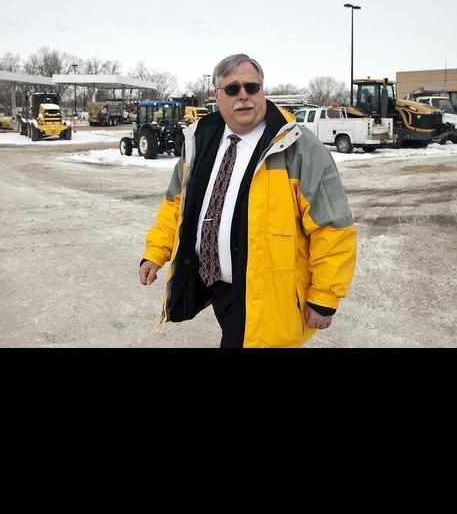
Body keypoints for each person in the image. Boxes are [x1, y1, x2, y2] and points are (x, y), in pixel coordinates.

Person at [138, 54, 357, 347]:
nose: (243, 96)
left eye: (251, 87)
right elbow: (176, 204)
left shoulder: (299, 148)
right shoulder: (201, 141)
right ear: (217, 95)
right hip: (217, 286)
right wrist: (156, 252)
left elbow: (333, 228)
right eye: (232, 89)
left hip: (264, 292)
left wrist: (325, 297)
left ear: (262, 91)